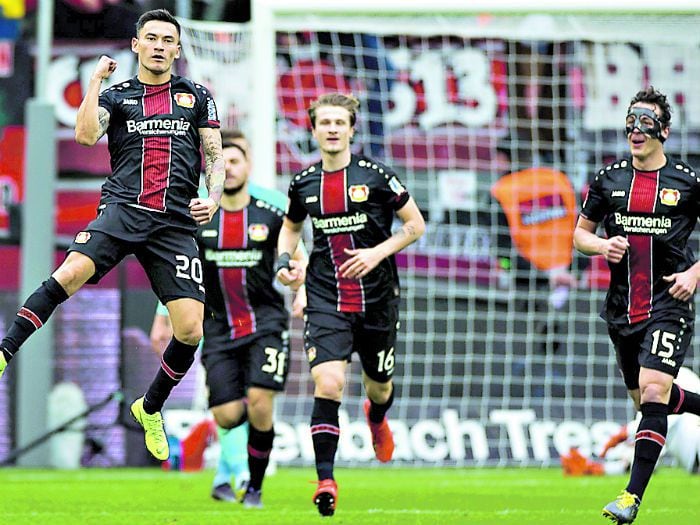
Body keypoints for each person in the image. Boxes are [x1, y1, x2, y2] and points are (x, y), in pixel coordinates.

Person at [0, 9, 224, 463]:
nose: (160, 45)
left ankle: (151, 406)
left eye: (168, 40)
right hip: (122, 209)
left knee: (190, 329)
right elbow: (84, 137)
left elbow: (215, 157)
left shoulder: (197, 96)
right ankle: (4, 351)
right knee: (70, 273)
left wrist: (214, 197)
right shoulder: (118, 95)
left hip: (175, 223)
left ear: (178, 50)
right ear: (136, 45)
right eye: (152, 38)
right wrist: (95, 83)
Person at [275, 93, 425, 517]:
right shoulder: (303, 183)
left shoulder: (376, 176)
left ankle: (377, 418)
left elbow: (415, 225)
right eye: (325, 122)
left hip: (377, 299)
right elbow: (290, 231)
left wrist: (377, 253)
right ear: (314, 128)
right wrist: (288, 262)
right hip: (325, 296)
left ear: (352, 129)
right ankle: (326, 479)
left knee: (380, 387)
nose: (333, 129)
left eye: (340, 122)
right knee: (328, 384)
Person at [150, 129, 306, 507]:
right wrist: (163, 314)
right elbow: (181, 268)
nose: (230, 169)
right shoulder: (197, 213)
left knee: (259, 400)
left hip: (265, 321)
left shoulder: (272, 209)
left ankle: (251, 485)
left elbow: (297, 256)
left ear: (249, 164)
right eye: (222, 163)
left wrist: (299, 289)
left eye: (236, 161)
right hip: (217, 325)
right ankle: (229, 470)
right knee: (226, 412)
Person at [573, 86, 700, 524]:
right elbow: (580, 234)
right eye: (630, 120)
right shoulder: (608, 179)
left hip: (671, 300)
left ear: (663, 130)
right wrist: (600, 244)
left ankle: (630, 499)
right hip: (622, 310)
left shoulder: (687, 182)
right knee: (648, 401)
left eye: (645, 121)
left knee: (652, 390)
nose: (635, 129)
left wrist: (694, 273)